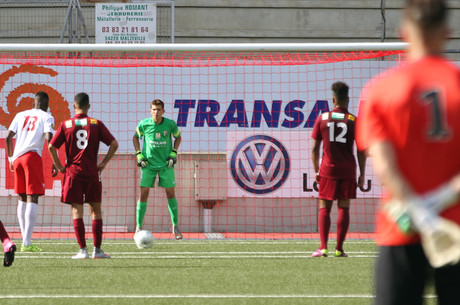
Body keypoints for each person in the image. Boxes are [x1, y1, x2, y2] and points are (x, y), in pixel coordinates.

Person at [356, 0, 460, 304]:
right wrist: (436, 203)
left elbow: (385, 166)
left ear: (404, 33)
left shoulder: (382, 88)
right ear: (447, 34)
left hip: (401, 224)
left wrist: (418, 209)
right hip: (455, 227)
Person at [48, 93, 118, 259]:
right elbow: (114, 144)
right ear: (88, 106)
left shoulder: (66, 125)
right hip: (92, 172)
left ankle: (83, 251)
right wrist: (103, 163)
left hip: (73, 173)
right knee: (96, 209)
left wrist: (59, 167)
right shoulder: (96, 124)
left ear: (74, 106)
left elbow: (51, 147)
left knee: (76, 209)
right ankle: (98, 250)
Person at [310, 81, 366, 258]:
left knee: (324, 207)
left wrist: (316, 170)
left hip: (328, 169)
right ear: (348, 100)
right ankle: (339, 249)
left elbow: (314, 149)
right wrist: (362, 173)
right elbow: (361, 150)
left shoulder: (323, 118)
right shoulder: (354, 121)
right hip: (348, 169)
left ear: (333, 99)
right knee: (344, 208)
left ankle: (323, 247)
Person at [5, 91, 55, 252]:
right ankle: (26, 243)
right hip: (31, 157)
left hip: (17, 159)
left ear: (34, 103)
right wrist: (55, 161)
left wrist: (11, 159)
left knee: (21, 197)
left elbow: (8, 137)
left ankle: (24, 240)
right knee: (32, 197)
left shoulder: (20, 114)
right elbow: (49, 138)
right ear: (46, 105)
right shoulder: (46, 117)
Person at [133, 99, 183, 240]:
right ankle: (138, 227)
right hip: (148, 165)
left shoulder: (170, 124)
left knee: (170, 194)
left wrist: (173, 153)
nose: (156, 112)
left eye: (159, 109)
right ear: (150, 111)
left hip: (165, 165)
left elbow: (178, 137)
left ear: (163, 111)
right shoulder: (144, 124)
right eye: (154, 109)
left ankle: (175, 226)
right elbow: (135, 138)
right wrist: (139, 155)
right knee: (143, 194)